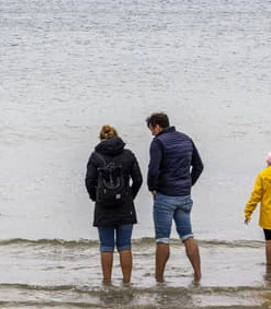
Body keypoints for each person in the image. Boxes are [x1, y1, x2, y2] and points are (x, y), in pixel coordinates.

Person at [145, 112, 204, 282]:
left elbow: (153, 169)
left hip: (165, 195)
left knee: (162, 238)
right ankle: (198, 274)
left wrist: (152, 188)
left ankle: (159, 277)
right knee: (187, 235)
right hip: (184, 195)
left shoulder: (158, 142)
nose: (151, 133)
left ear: (157, 126)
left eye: (151, 129)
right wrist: (188, 184)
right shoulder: (186, 139)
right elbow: (199, 166)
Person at [85, 125, 142, 284]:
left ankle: (107, 282)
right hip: (125, 206)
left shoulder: (95, 157)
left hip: (103, 206)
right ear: (117, 137)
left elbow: (89, 181)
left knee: (106, 246)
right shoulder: (128, 155)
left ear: (101, 139)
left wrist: (95, 197)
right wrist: (130, 196)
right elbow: (138, 180)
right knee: (125, 245)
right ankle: (127, 282)